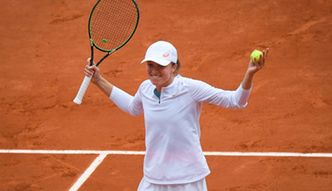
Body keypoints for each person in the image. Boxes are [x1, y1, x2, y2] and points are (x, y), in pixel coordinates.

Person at [84, 41, 268, 191]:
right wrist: (99, 80)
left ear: (173, 66)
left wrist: (249, 74)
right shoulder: (145, 88)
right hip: (154, 178)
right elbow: (133, 107)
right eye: (150, 65)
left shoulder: (190, 88)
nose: (154, 70)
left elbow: (235, 100)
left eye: (160, 66)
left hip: (187, 179)